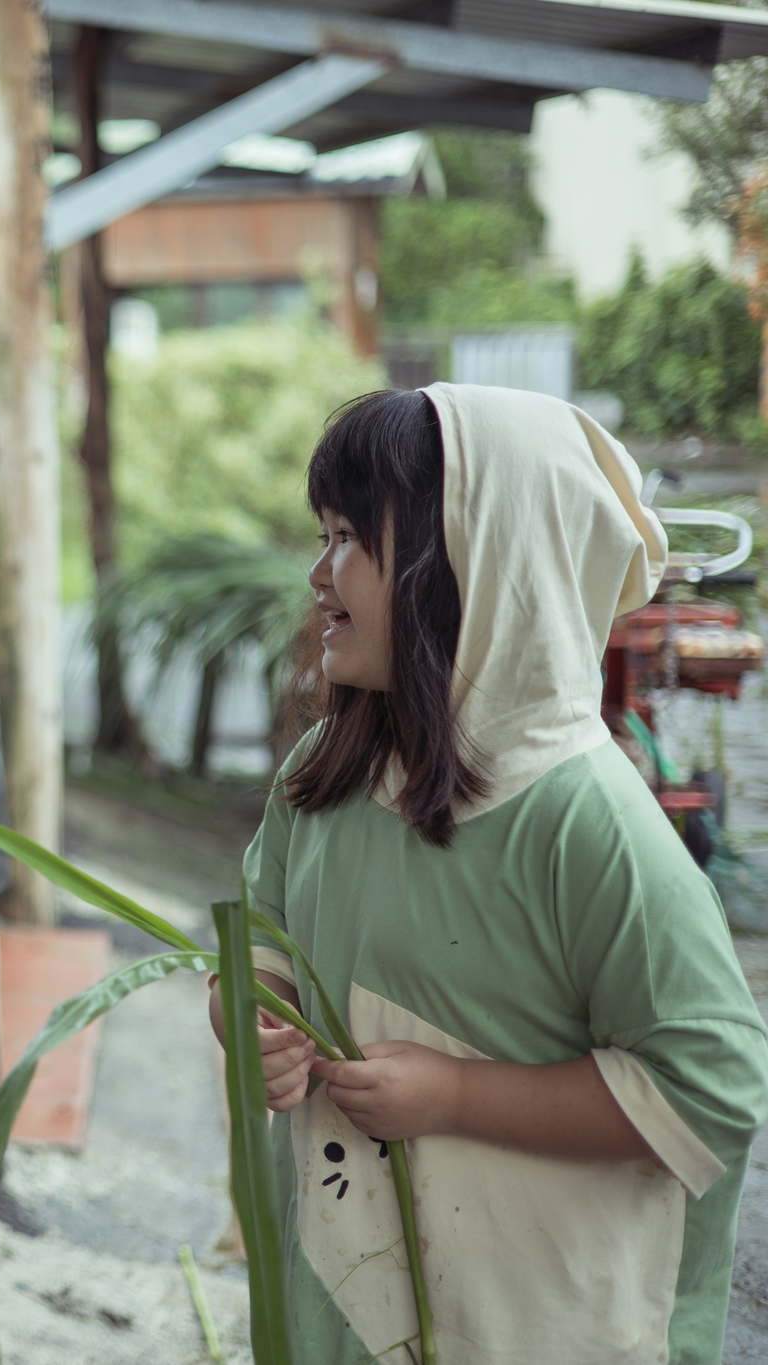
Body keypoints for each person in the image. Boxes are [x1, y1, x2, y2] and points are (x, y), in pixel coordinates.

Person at [207, 385, 768, 1364]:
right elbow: (259, 940)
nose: (315, 571)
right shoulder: (318, 778)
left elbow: (712, 1090)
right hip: (344, 1299)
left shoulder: (587, 825)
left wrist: (457, 1098)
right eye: (322, 532)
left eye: (347, 538)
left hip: (534, 1324)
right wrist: (249, 1015)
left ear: (470, 566)